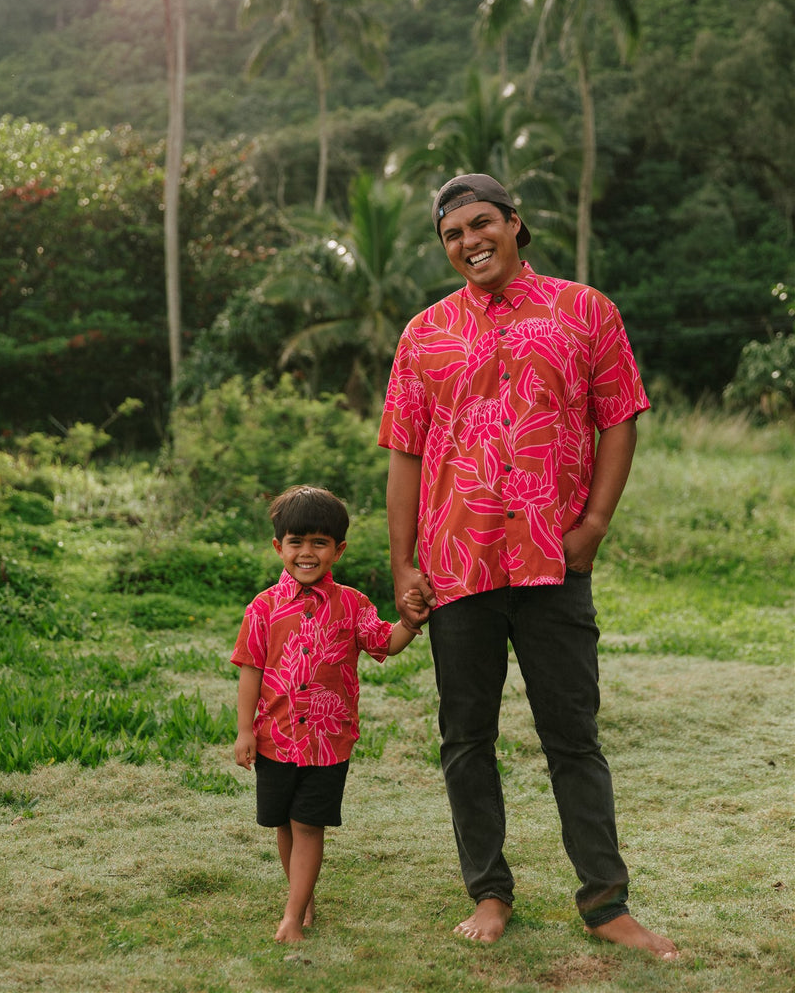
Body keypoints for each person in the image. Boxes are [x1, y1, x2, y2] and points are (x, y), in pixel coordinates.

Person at [378, 173, 678, 958]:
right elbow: (406, 455)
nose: (470, 241)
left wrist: (596, 524)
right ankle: (489, 891)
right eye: (453, 234)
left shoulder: (586, 311)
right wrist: (403, 564)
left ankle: (606, 903)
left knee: (573, 737)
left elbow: (619, 419)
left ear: (515, 223)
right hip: (456, 567)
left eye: (482, 223)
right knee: (466, 740)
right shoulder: (424, 334)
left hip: (554, 562)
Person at [231, 484, 426, 943]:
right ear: (279, 546)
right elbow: (250, 671)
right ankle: (302, 896)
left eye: (319, 543)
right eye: (296, 542)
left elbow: (385, 643)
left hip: (328, 742)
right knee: (282, 821)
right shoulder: (262, 608)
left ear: (338, 549)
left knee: (308, 823)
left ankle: (292, 915)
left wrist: (412, 623)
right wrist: (244, 732)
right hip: (274, 737)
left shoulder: (353, 604)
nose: (307, 552)